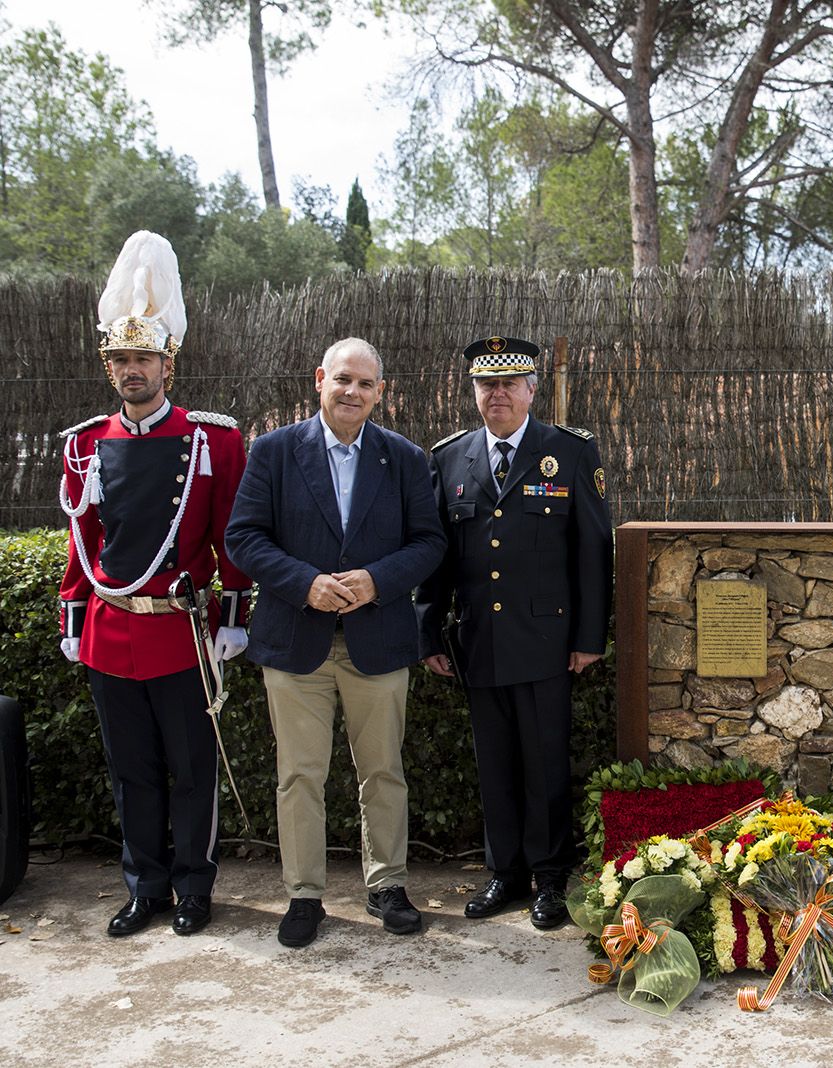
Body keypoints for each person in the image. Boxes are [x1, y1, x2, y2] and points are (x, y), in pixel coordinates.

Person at [58, 231, 252, 938]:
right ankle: (145, 887)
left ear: (167, 363)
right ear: (109, 368)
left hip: (179, 630)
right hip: (113, 631)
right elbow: (84, 539)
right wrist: (74, 617)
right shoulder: (84, 443)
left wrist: (233, 613)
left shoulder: (214, 440)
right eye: (120, 360)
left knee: (192, 770)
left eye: (142, 358)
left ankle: (195, 888)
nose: (130, 370)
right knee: (131, 772)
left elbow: (231, 536)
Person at [225, 338, 444, 948]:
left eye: (366, 384)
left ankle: (387, 885)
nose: (352, 392)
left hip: (377, 640)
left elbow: (429, 543)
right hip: (298, 638)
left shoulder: (402, 458)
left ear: (381, 392)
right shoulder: (273, 452)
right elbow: (243, 537)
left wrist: (377, 580)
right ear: (320, 379)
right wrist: (306, 583)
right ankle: (303, 895)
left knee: (383, 770)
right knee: (299, 774)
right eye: (343, 379)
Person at [417, 336, 612, 930]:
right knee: (494, 763)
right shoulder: (451, 457)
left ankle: (549, 877)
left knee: (546, 761)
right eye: (486, 384)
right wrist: (428, 633)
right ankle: (506, 873)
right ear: (474, 392)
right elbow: (438, 556)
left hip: (548, 642)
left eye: (509, 384)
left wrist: (589, 636)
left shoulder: (570, 452)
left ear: (532, 390)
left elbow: (592, 551)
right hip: (479, 642)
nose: (496, 394)